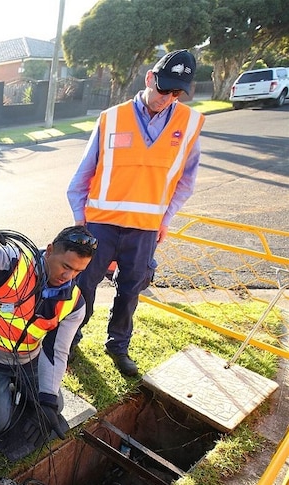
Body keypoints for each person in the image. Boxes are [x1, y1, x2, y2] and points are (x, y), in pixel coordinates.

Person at [67, 49, 205, 376]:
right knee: (84, 285)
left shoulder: (189, 124)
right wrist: (79, 218)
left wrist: (165, 219)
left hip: (144, 228)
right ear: (149, 79)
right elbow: (83, 174)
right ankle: (69, 339)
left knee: (131, 289)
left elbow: (186, 180)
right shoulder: (112, 118)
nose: (166, 98)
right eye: (163, 89)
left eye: (175, 93)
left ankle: (118, 344)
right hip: (100, 224)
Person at [0, 222, 96, 459]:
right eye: (66, 266)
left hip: (29, 360)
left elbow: (56, 352)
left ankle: (21, 389)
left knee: (55, 405)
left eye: (79, 272)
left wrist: (47, 403)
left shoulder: (75, 304)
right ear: (49, 250)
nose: (69, 276)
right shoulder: (13, 263)